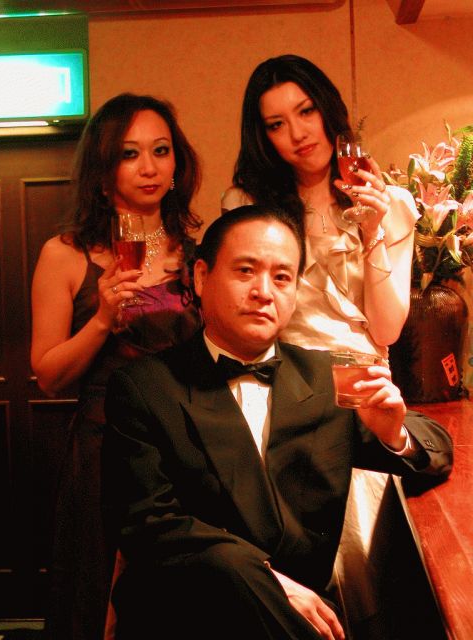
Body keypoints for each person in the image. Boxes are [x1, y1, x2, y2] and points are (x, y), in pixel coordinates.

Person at [102, 205, 452, 640]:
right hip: (187, 613)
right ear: (201, 277)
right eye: (246, 271)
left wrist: (393, 433)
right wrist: (266, 581)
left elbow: (435, 448)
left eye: (282, 277)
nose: (264, 292)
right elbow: (148, 525)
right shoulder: (144, 386)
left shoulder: (326, 377)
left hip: (302, 615)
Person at [30, 93, 202, 640]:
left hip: (184, 448)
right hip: (104, 448)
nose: (149, 167)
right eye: (130, 154)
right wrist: (103, 319)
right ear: (103, 173)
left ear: (177, 164)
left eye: (161, 150)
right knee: (96, 595)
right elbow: (48, 375)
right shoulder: (64, 253)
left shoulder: (197, 254)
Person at [222, 54, 419, 359]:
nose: (298, 134)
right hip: (285, 376)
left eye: (306, 111)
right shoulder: (248, 206)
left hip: (365, 378)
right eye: (277, 125)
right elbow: (239, 318)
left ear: (327, 108)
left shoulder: (392, 205)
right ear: (264, 137)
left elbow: (386, 332)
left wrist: (372, 232)